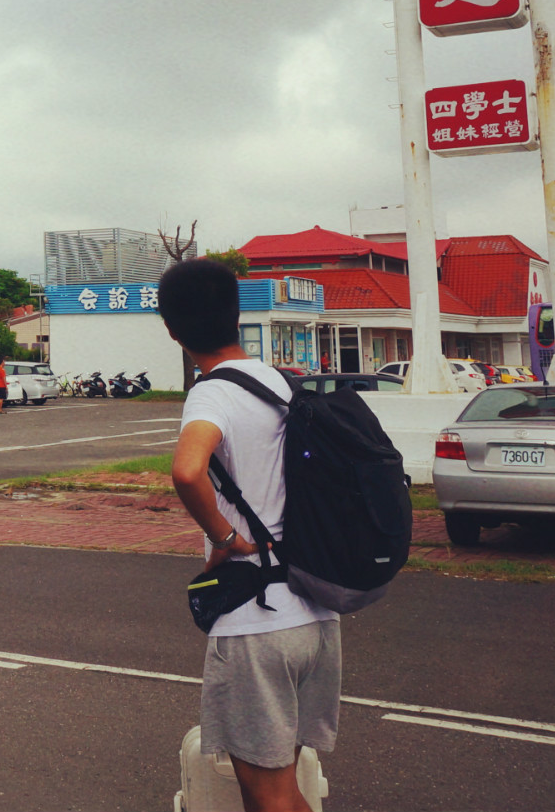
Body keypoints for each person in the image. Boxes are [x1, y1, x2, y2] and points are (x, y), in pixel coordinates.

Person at [160, 258, 339, 812]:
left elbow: (188, 470)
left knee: (271, 798)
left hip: (257, 622)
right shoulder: (280, 384)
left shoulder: (212, 392)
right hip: (314, 611)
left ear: (172, 329)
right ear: (237, 316)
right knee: (278, 793)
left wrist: (224, 537)